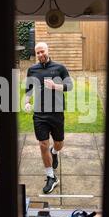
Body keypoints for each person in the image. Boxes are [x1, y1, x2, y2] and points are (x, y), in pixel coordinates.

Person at [24, 42, 73, 194]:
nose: (40, 55)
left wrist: (55, 86)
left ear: (48, 50)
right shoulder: (32, 70)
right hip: (39, 114)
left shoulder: (60, 68)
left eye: (42, 51)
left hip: (56, 112)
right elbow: (29, 89)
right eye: (37, 53)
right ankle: (51, 177)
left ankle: (55, 152)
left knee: (58, 144)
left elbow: (69, 86)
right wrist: (26, 101)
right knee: (42, 144)